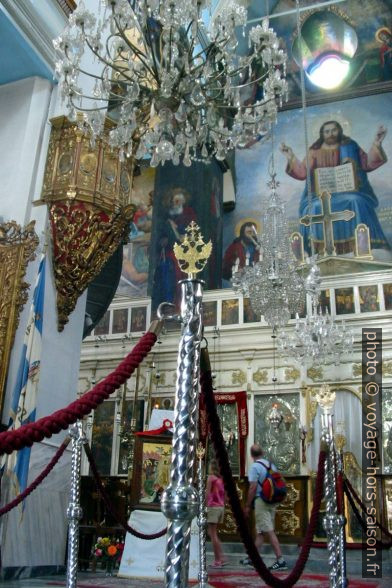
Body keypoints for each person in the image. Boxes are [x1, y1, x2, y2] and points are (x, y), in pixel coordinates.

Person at [280, 121, 390, 256]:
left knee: (356, 201)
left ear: (340, 131)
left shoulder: (350, 145)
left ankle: (363, 245)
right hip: (320, 195)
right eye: (327, 131)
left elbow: (366, 164)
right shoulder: (314, 151)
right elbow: (303, 173)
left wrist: (377, 143)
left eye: (334, 130)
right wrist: (290, 156)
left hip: (349, 190)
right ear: (322, 133)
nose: (330, 134)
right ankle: (319, 252)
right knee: (314, 207)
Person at [242, 444, 287, 571]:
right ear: (262, 453)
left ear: (251, 456)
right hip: (272, 501)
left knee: (268, 530)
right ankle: (252, 559)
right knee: (261, 532)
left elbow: (253, 487)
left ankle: (280, 559)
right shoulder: (270, 465)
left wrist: (247, 505)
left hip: (261, 501)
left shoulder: (254, 467)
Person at [152, 187, 197, 309]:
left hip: (184, 250)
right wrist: (164, 239)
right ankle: (168, 301)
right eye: (174, 201)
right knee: (168, 275)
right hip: (169, 251)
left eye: (178, 201)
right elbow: (162, 234)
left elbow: (190, 231)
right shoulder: (168, 214)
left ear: (183, 201)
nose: (175, 203)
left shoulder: (188, 212)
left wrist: (178, 231)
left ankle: (180, 303)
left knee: (179, 274)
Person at [206, 460, 227, 569]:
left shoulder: (211, 478)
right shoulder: (222, 479)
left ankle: (218, 560)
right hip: (220, 507)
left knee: (212, 534)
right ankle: (221, 557)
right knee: (213, 533)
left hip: (213, 507)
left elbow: (208, 493)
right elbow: (226, 495)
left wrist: (204, 506)